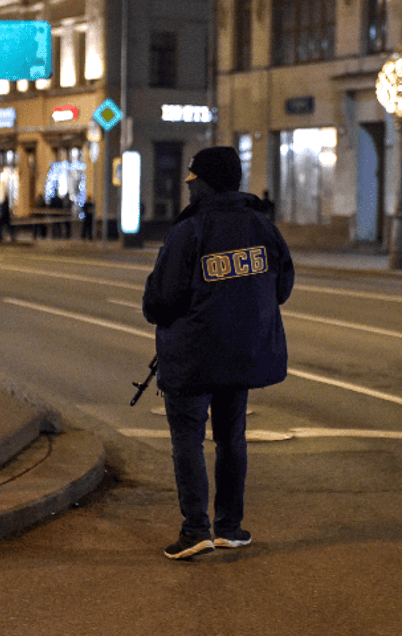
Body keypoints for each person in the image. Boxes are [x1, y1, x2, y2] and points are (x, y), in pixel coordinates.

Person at [142, 146, 294, 560]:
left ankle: (195, 530)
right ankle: (230, 527)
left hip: (193, 355)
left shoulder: (190, 230)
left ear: (207, 181)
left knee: (188, 440)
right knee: (231, 438)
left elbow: (162, 298)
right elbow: (281, 286)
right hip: (241, 354)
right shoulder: (262, 227)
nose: (188, 184)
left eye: (193, 177)